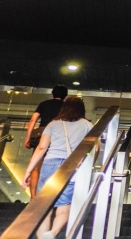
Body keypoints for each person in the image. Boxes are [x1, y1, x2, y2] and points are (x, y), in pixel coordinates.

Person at [22, 96, 92, 239]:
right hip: (72, 165)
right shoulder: (87, 125)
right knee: (64, 206)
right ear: (82, 109)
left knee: (44, 207)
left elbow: (41, 148)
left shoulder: (53, 124)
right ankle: (53, 233)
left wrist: (28, 171)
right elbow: (94, 149)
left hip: (50, 164)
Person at [24, 85, 67, 199]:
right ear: (65, 96)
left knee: (36, 168)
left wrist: (28, 137)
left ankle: (33, 198)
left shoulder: (44, 104)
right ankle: (51, 197)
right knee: (56, 167)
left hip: (42, 136)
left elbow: (33, 120)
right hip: (58, 137)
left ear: (53, 93)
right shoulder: (66, 107)